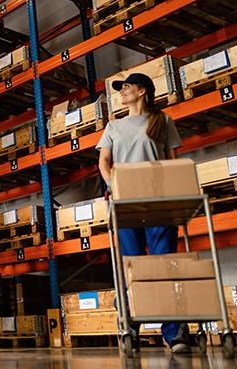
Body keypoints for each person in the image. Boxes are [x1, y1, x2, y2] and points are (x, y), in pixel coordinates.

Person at [96, 72, 190, 355]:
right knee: (131, 267)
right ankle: (130, 328)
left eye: (126, 87)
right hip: (126, 203)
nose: (121, 92)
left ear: (142, 91)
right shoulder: (114, 126)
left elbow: (172, 162)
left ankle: (174, 332)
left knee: (165, 265)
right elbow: (103, 161)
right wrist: (113, 185)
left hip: (159, 202)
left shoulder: (162, 121)